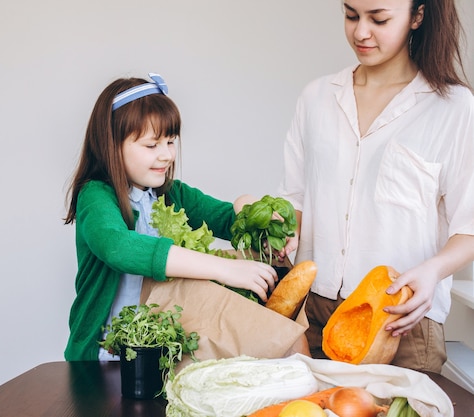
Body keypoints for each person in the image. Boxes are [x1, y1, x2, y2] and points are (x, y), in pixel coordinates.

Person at [274, 0, 474, 373]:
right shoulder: (316, 98)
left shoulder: (454, 108)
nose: (360, 32)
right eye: (351, 15)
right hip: (312, 315)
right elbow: (295, 199)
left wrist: (433, 271)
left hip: (401, 321)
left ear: (417, 16)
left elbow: (469, 228)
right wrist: (285, 228)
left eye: (378, 19)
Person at [63, 73, 287, 361]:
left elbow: (225, 219)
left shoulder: (171, 193)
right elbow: (117, 246)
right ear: (112, 145)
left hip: (158, 352)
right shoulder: (95, 195)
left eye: (171, 141)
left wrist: (247, 205)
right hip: (104, 356)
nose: (167, 155)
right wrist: (223, 268)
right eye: (151, 145)